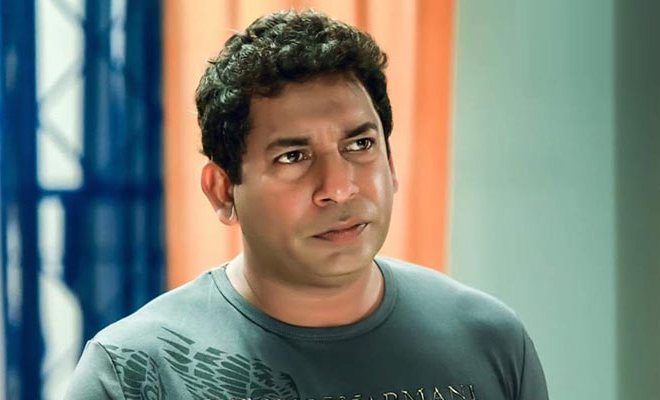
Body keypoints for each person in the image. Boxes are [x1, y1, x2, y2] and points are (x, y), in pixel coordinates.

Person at [66, 9, 548, 400]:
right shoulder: (134, 373)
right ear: (223, 191)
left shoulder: (489, 341)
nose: (339, 187)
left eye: (360, 145)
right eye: (293, 156)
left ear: (391, 163)